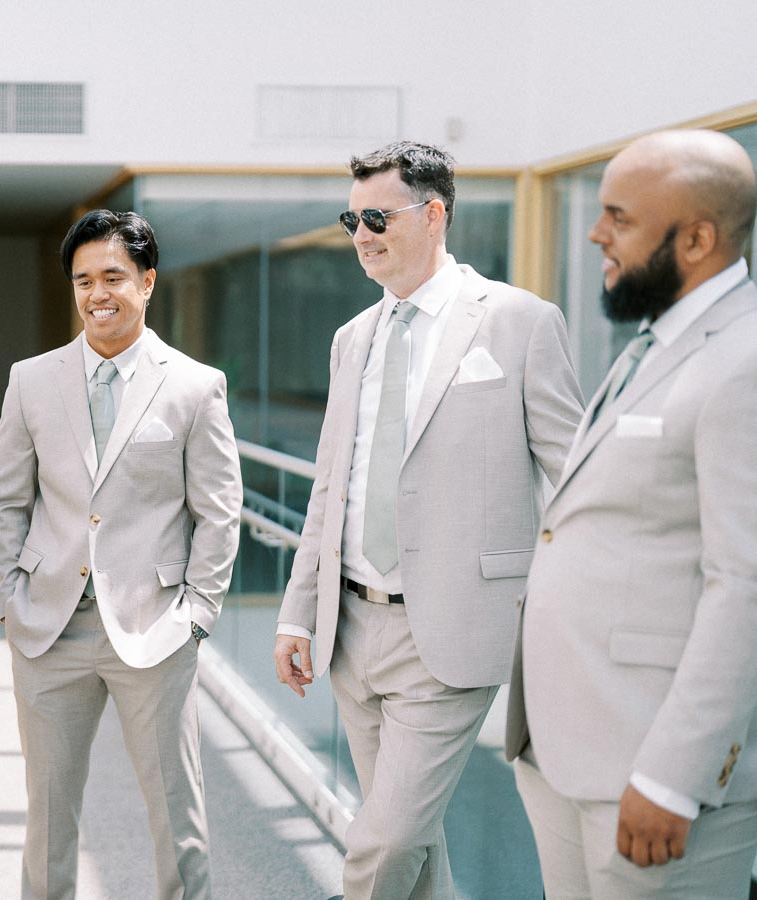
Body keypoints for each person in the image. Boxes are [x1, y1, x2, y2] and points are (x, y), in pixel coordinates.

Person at [272, 141, 583, 899]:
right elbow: (329, 491)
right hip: (349, 630)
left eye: (378, 216)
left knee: (380, 849)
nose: (361, 234)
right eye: (352, 217)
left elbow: (577, 480)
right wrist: (296, 613)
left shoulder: (518, 322)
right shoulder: (353, 338)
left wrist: (573, 616)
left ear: (434, 212)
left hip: (449, 632)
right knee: (413, 855)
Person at [506, 129, 757, 899]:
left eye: (618, 216)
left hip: (651, 769)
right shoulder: (655, 341)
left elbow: (745, 584)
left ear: (697, 238)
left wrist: (674, 777)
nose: (593, 233)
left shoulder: (743, 361)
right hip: (566, 754)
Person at [0, 210, 242, 899]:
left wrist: (197, 615)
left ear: (147, 281)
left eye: (113, 277)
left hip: (157, 629)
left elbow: (218, 512)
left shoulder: (194, 385)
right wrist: (10, 599)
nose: (98, 294)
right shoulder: (31, 380)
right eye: (83, 280)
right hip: (49, 628)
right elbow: (6, 499)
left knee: (175, 813)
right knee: (48, 817)